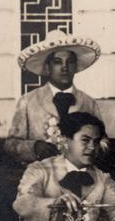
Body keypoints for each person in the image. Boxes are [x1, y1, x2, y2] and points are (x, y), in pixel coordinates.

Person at [12, 112, 115, 221]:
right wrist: (54, 204)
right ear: (66, 140)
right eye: (85, 140)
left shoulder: (103, 179)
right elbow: (22, 203)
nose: (92, 147)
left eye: (96, 142)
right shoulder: (39, 169)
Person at [6, 30, 103, 164]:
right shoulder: (28, 101)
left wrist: (89, 149)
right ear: (47, 67)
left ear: (75, 66)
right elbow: (10, 145)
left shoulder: (89, 103)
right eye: (57, 62)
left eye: (69, 62)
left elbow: (104, 143)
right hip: (39, 177)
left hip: (81, 177)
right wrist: (34, 147)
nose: (64, 67)